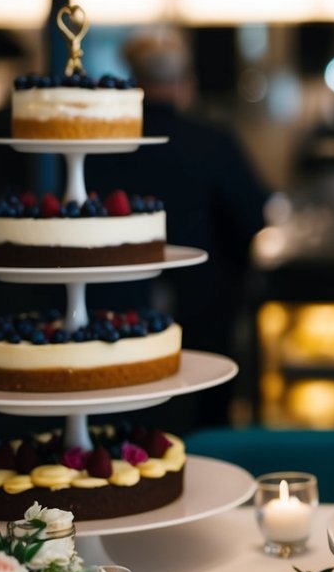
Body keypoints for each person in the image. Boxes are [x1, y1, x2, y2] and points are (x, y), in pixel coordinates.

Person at [86, 29, 269, 428]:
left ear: (133, 82)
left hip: (113, 318)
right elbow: (252, 217)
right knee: (203, 424)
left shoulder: (98, 147)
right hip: (202, 311)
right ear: (185, 82)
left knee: (120, 424)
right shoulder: (213, 141)